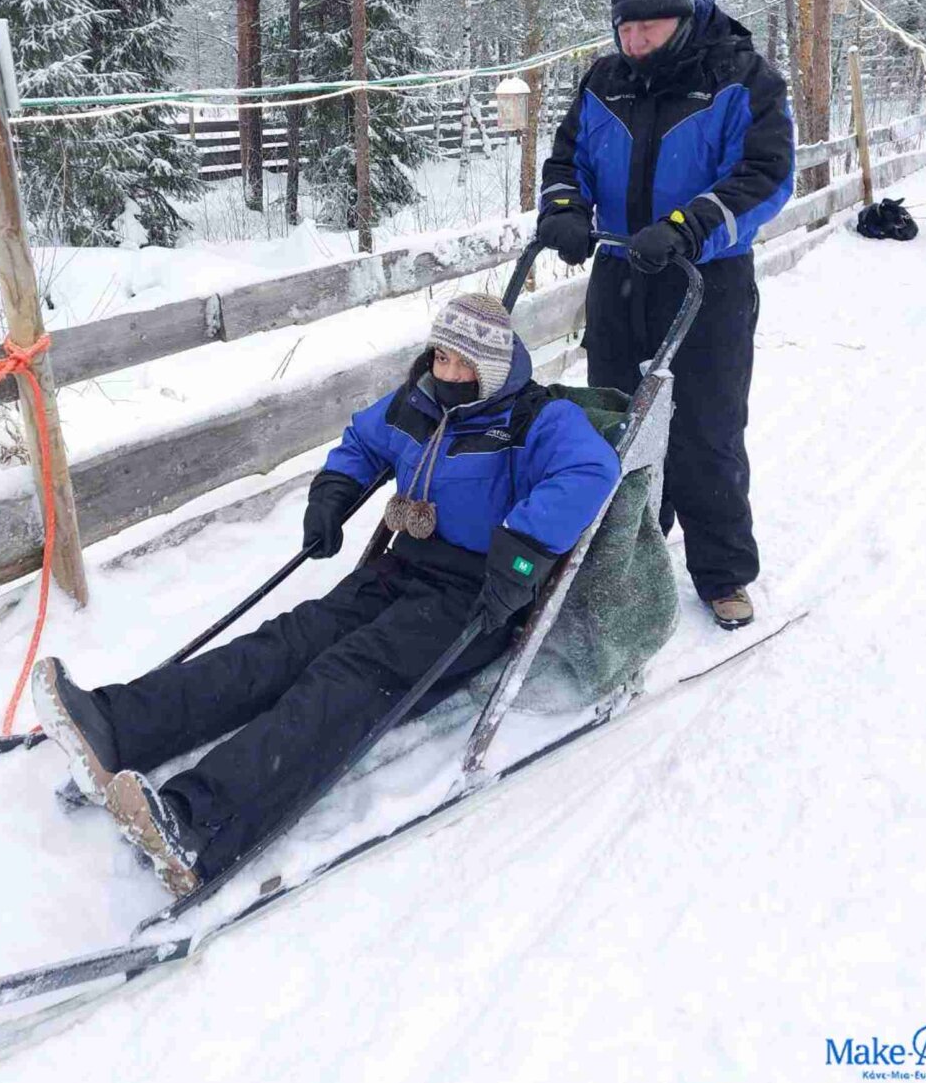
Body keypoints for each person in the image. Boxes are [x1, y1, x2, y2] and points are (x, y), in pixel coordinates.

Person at [32, 293, 619, 895]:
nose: (445, 373)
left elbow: (591, 470)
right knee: (286, 643)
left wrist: (521, 549)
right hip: (403, 566)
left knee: (347, 678)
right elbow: (363, 440)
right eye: (440, 357)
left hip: (475, 598)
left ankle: (198, 823)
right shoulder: (417, 401)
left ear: (491, 370)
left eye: (462, 365)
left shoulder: (535, 419)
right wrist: (333, 491)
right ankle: (118, 725)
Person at [536, 0, 794, 632]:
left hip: (705, 279)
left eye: (646, 28)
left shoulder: (741, 78)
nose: (633, 41)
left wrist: (688, 226)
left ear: (679, 19)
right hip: (622, 272)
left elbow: (765, 175)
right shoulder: (604, 82)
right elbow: (566, 159)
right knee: (615, 423)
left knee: (705, 429)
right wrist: (564, 208)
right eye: (624, 29)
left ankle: (722, 572)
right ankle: (621, 560)